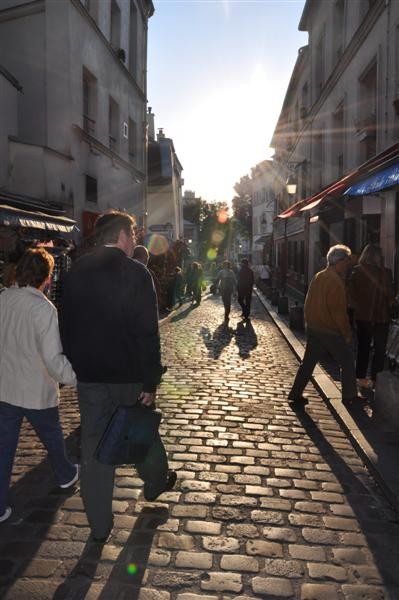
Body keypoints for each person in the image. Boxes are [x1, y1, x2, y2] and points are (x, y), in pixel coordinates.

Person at [60, 211, 176, 543]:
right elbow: (147, 334)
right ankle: (155, 482)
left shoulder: (76, 272)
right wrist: (150, 381)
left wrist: (78, 363)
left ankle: (99, 525)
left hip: (91, 377)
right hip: (127, 374)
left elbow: (65, 327)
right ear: (122, 235)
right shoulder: (136, 273)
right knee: (141, 434)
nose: (136, 241)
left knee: (94, 446)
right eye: (134, 234)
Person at [0, 248, 78, 524]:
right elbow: (53, 358)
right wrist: (74, 378)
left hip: (5, 388)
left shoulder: (3, 299)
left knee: (3, 448)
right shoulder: (43, 308)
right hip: (35, 390)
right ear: (46, 278)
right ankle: (66, 474)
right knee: (53, 438)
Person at [287, 244, 362, 406]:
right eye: (347, 261)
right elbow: (338, 313)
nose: (348, 264)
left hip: (314, 327)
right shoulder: (335, 281)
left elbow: (308, 302)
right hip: (329, 330)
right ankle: (349, 396)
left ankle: (295, 393)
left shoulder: (319, 276)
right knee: (347, 361)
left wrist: (308, 322)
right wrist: (347, 334)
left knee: (308, 362)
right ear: (339, 261)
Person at [348, 244, 394, 389]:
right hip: (382, 317)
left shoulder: (356, 271)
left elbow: (350, 295)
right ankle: (375, 380)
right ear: (376, 256)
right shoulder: (386, 273)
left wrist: (355, 310)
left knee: (363, 348)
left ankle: (361, 379)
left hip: (363, 317)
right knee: (379, 350)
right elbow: (390, 296)